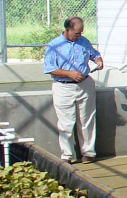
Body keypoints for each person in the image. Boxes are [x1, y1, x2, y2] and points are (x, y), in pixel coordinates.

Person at [44, 16, 104, 164]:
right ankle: (67, 155)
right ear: (67, 29)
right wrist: (69, 73)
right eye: (77, 33)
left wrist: (98, 61)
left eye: (81, 32)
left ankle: (88, 152)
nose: (79, 35)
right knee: (66, 122)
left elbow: (94, 54)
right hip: (63, 86)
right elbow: (49, 68)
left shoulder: (83, 42)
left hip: (84, 84)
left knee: (87, 119)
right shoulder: (54, 46)